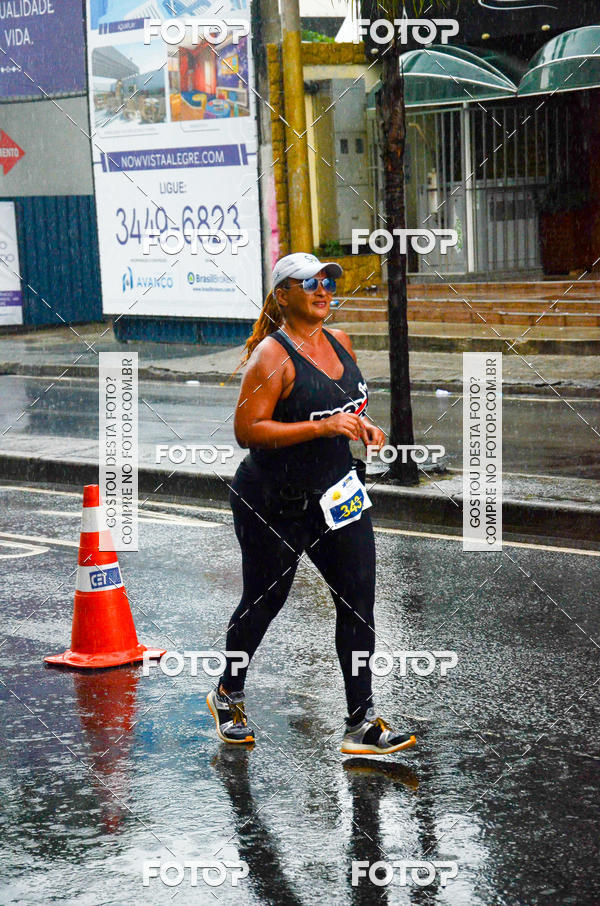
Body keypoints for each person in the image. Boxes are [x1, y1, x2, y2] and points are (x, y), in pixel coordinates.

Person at [206, 253, 417, 756]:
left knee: (358, 602)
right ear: (283, 295)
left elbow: (344, 406)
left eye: (327, 282)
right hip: (273, 500)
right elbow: (247, 431)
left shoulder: (340, 342)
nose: (323, 290)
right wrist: (321, 427)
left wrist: (362, 426)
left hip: (339, 495)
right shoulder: (272, 358)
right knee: (265, 601)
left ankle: (361, 723)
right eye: (309, 284)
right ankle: (228, 693)